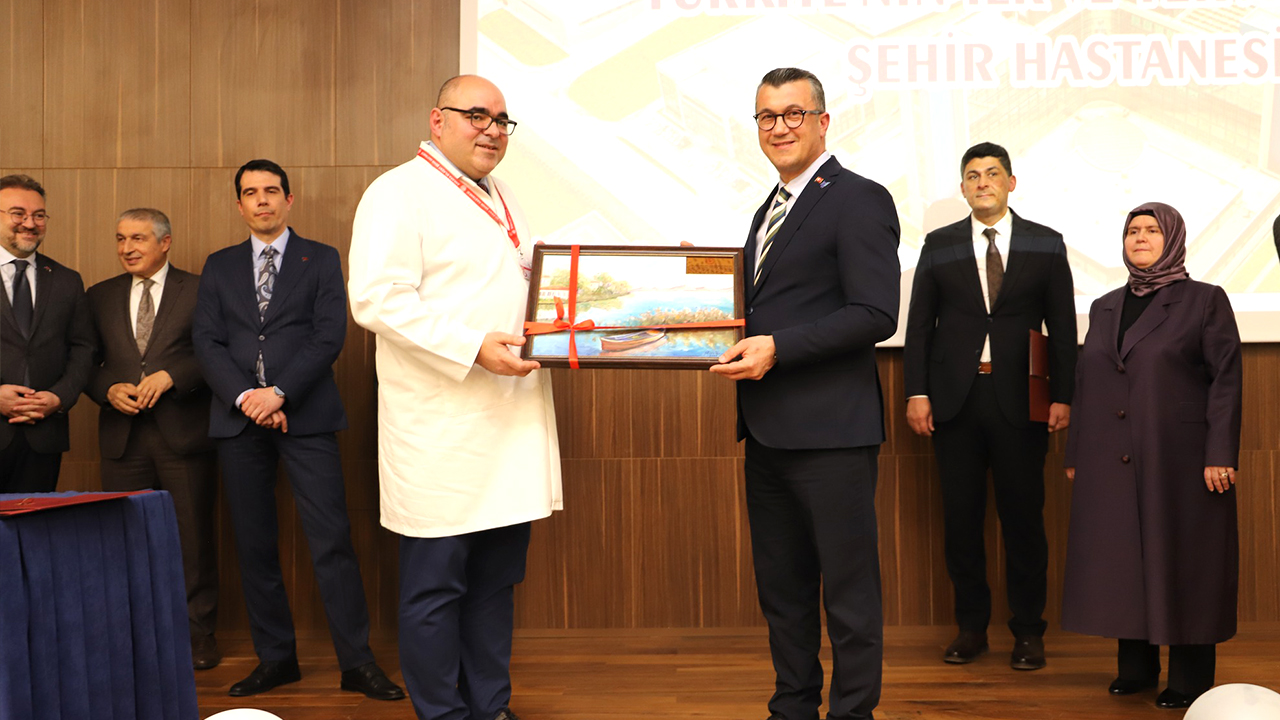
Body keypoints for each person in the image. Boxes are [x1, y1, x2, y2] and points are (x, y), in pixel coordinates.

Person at [348, 74, 560, 720]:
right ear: (437, 121)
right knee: (436, 588)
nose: (492, 130)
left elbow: (535, 283)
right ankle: (443, 713)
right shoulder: (397, 192)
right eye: (477, 115)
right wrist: (472, 347)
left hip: (509, 423)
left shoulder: (506, 195)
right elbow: (375, 300)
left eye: (501, 120)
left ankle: (490, 707)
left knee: (495, 583)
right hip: (441, 431)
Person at [710, 67, 900, 720]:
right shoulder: (769, 207)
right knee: (783, 591)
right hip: (767, 432)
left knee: (848, 594)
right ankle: (791, 707)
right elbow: (769, 304)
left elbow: (876, 313)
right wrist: (696, 291)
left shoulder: (858, 198)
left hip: (833, 436)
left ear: (822, 122)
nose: (780, 127)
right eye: (767, 116)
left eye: (793, 113)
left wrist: (780, 349)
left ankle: (852, 713)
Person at [191, 159, 404, 701]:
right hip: (239, 421)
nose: (261, 200)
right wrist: (249, 399)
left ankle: (357, 663)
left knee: (332, 541)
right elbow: (207, 342)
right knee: (254, 545)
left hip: (306, 416)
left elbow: (329, 335)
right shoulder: (219, 265)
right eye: (250, 192)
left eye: (271, 191)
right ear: (239, 205)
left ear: (289, 199)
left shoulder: (322, 258)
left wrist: (279, 393)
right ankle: (276, 659)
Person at [902, 142, 1076, 670]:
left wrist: (1064, 395)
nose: (983, 182)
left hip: (1021, 400)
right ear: (963, 188)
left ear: (1010, 183)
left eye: (992, 173)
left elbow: (1062, 326)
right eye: (973, 175)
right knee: (961, 521)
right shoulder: (939, 245)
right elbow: (919, 326)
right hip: (955, 401)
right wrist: (916, 392)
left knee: (1024, 520)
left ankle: (1028, 632)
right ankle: (971, 629)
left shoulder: (1046, 243)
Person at [1062, 202, 1241, 710]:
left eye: (1152, 230)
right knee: (1125, 559)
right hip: (1112, 456)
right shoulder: (1105, 306)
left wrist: (1220, 452)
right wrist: (1078, 451)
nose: (1140, 237)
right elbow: (1087, 381)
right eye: (1132, 231)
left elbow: (1226, 381)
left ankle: (1189, 678)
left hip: (1182, 459)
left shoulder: (1205, 300)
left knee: (1186, 561)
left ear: (1174, 240)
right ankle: (1136, 668)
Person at [85, 208, 220, 669]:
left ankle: (198, 635)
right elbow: (85, 361)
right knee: (123, 541)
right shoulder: (99, 295)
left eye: (138, 239)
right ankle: (132, 637)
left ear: (165, 242)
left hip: (184, 435)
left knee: (193, 540)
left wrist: (173, 375)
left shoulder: (200, 289)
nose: (127, 248)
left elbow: (217, 352)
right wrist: (107, 388)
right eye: (121, 239)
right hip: (122, 438)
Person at [0, 174, 94, 493]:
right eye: (18, 213)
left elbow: (83, 349)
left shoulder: (67, 280)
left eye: (39, 215)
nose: (30, 223)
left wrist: (59, 398)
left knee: (36, 523)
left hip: (43, 438)